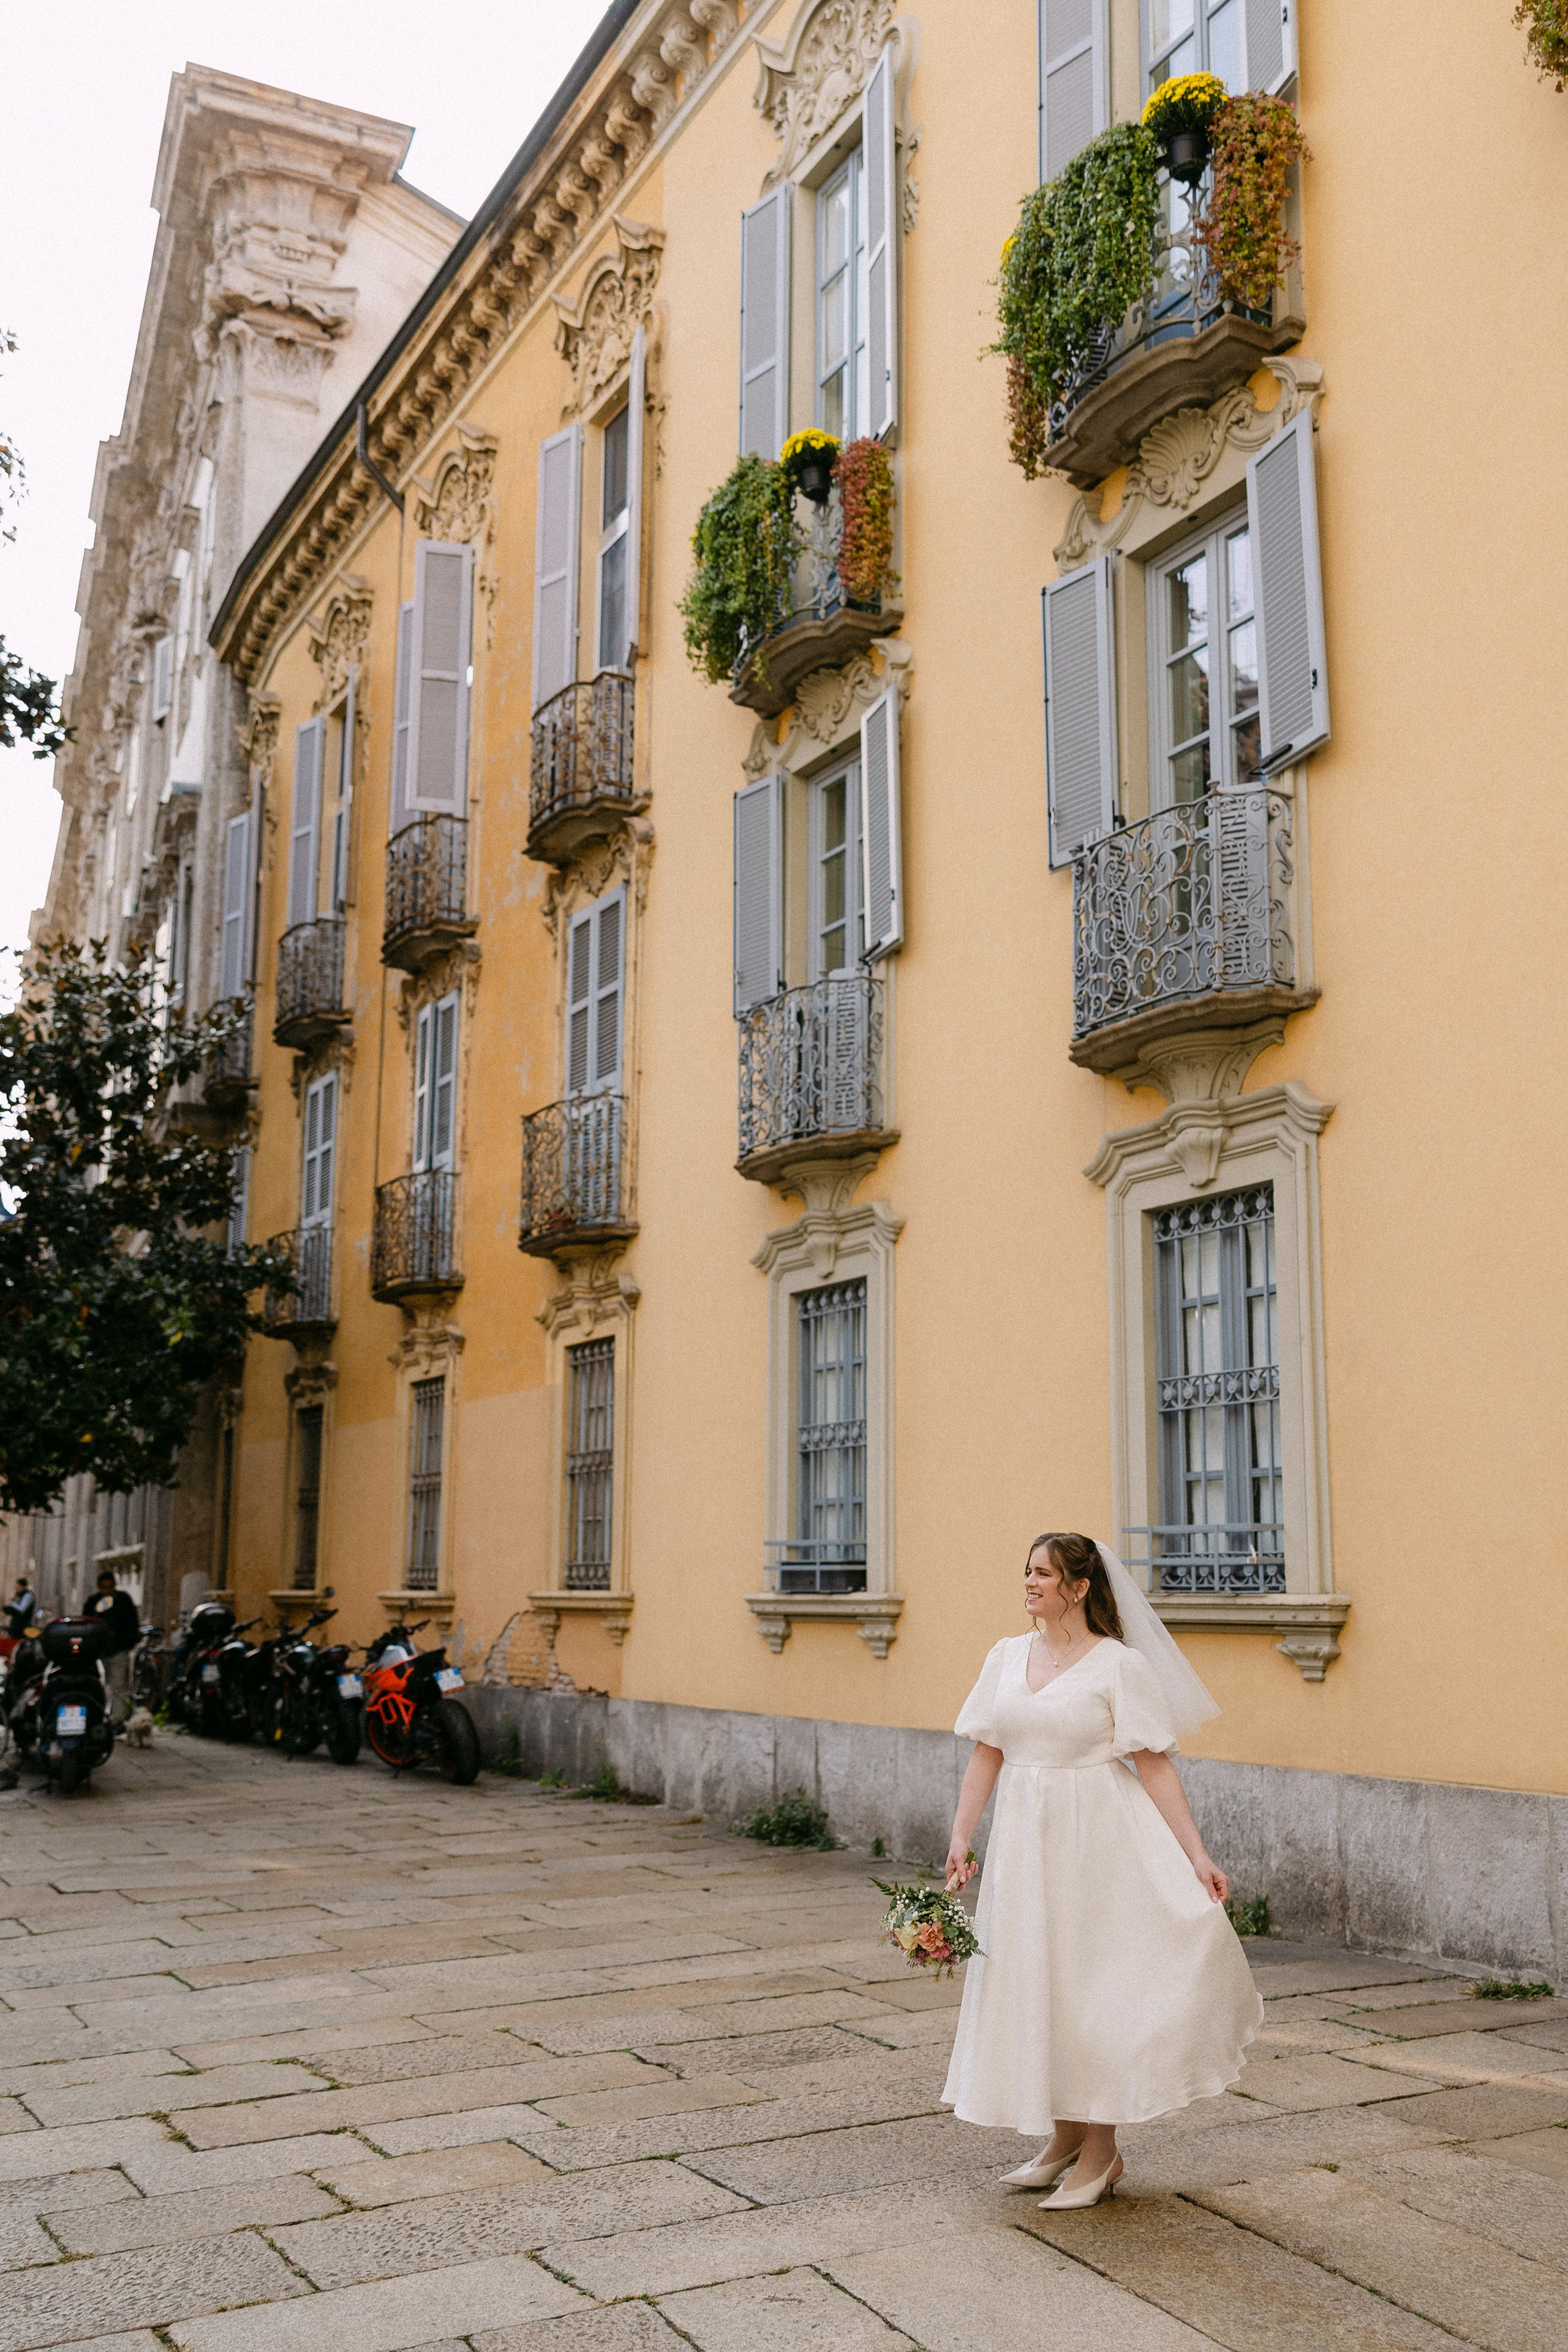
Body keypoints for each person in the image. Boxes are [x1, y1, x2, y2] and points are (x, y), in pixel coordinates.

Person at [941, 1530, 1262, 2211]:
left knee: (1091, 1990)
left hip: (1100, 1846)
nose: (1028, 1583)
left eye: (1042, 1574)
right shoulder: (1005, 1657)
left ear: (1078, 1588)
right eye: (1026, 1571)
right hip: (1024, 1847)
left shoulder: (1117, 1665)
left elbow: (1151, 1762)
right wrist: (963, 1836)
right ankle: (1062, 2138)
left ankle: (1100, 2151)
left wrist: (1196, 1856)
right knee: (1039, 1983)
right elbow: (987, 1752)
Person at [84, 1567, 141, 1724]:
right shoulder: (93, 1602)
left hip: (118, 1650)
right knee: (98, 1685)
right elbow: (87, 1622)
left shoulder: (123, 1600)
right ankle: (97, 1716)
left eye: (110, 1587)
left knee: (117, 1685)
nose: (107, 1591)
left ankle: (117, 1720)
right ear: (99, 1587)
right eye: (104, 1587)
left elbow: (132, 1622)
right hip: (98, 1652)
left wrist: (130, 1642)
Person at [6, 1578, 37, 1643]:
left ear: (24, 1587)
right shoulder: (19, 1595)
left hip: (23, 1626)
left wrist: (14, 1602)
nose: (17, 1589)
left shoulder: (28, 1596)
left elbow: (21, 1609)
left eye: (18, 1587)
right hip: (16, 1626)